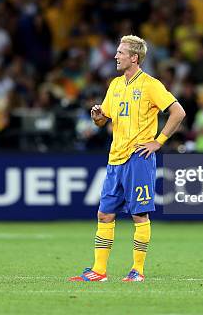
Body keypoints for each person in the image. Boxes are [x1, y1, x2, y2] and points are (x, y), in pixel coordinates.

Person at [69, 35, 186, 282]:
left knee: (139, 215)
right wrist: (97, 116)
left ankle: (138, 271)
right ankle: (99, 271)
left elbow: (178, 112)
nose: (115, 56)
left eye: (121, 53)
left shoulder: (150, 85)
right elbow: (104, 120)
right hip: (115, 159)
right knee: (104, 214)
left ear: (134, 57)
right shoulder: (115, 85)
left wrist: (159, 141)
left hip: (138, 158)